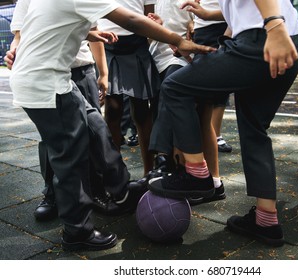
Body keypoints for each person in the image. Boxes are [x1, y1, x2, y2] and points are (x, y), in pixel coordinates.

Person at [7, 0, 214, 251]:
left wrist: (90, 33)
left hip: (52, 76)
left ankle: (121, 191)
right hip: (44, 82)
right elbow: (132, 20)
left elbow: (51, 23)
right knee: (69, 156)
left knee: (97, 127)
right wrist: (178, 39)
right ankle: (77, 231)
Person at [148, 0, 298, 247]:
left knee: (175, 87)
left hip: (264, 38)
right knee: (254, 129)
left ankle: (197, 174)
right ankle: (266, 220)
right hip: (284, 41)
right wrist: (209, 14)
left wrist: (274, 26)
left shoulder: (271, 25)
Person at [147, 0, 225, 206]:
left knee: (180, 102)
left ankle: (168, 164)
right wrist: (161, 26)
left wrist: (199, 25)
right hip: (169, 52)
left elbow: (203, 17)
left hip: (189, 52)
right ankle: (212, 181)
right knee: (200, 118)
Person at [98, 0, 159, 189]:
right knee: (113, 109)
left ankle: (149, 172)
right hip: (106, 43)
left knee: (141, 110)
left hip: (137, 42)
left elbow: (149, 15)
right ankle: (116, 175)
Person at [192, 0, 232, 154]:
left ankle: (215, 134)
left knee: (222, 85)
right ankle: (205, 134)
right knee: (201, 85)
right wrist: (192, 21)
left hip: (226, 24)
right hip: (203, 28)